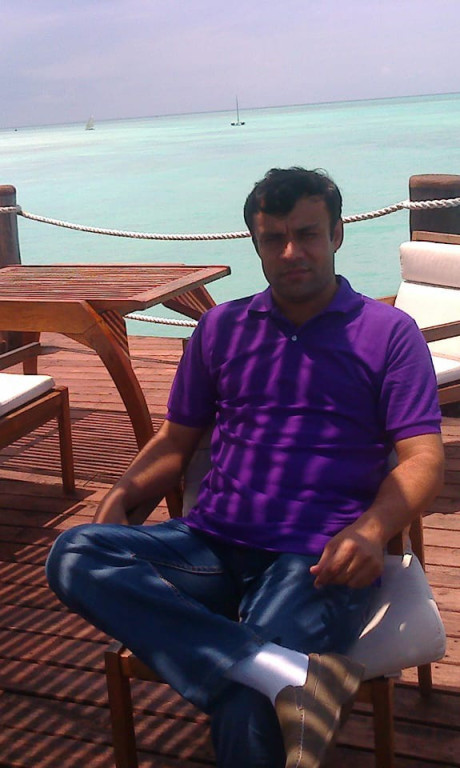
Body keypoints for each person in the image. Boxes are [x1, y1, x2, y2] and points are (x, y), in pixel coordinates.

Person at [46, 167, 444, 768]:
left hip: (317, 561)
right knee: (75, 554)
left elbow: (423, 458)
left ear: (337, 234)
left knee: (249, 706)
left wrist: (371, 529)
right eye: (272, 239)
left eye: (306, 234)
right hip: (209, 545)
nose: (290, 253)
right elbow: (176, 442)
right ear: (255, 244)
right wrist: (125, 491)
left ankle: (261, 673)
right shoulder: (222, 328)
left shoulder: (389, 334)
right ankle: (277, 669)